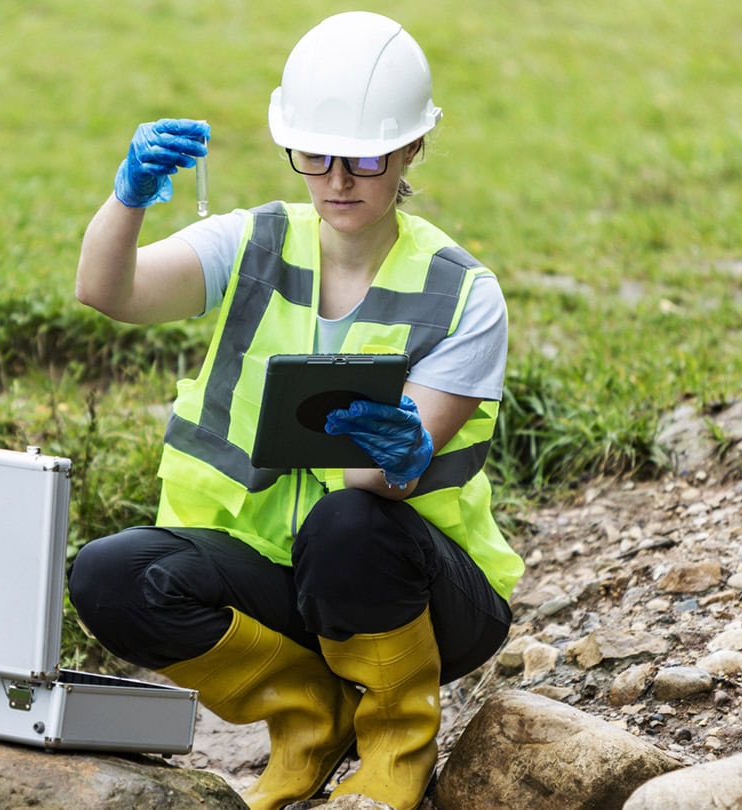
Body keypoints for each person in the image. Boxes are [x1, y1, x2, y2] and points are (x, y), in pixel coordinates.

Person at [68, 11, 524, 810]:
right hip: (279, 581)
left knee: (347, 522)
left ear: (413, 148)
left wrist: (402, 453)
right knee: (110, 575)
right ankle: (309, 719)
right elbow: (109, 291)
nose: (338, 179)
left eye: (365, 157)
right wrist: (126, 199)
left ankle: (394, 743)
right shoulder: (252, 242)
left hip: (417, 593)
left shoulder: (465, 295)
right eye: (315, 154)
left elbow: (366, 483)